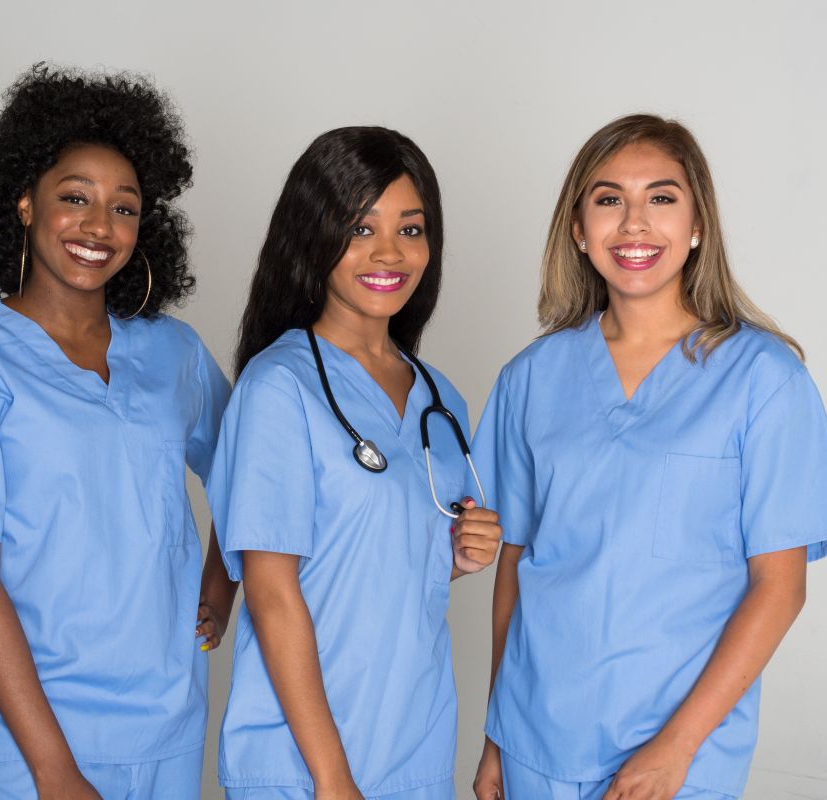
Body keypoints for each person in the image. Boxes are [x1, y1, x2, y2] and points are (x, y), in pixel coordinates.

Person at [0, 65, 234, 799]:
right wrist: (54, 772)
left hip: (169, 721)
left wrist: (223, 580)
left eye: (124, 208)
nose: (99, 227)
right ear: (24, 202)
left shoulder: (170, 352)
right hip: (36, 741)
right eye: (75, 198)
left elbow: (257, 473)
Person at [470, 114, 827, 800]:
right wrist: (497, 735)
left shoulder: (763, 379)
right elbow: (514, 565)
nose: (634, 224)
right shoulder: (530, 379)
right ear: (578, 228)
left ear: (698, 226)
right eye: (609, 200)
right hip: (536, 740)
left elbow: (779, 587)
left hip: (680, 757)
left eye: (661, 198)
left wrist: (676, 748)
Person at [208, 126, 503, 800]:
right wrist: (333, 779)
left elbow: (387, 558)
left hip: (416, 743)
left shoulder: (439, 398)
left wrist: (459, 551)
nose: (389, 253)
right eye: (360, 227)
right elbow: (272, 591)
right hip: (303, 763)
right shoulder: (280, 387)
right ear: (314, 237)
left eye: (411, 228)